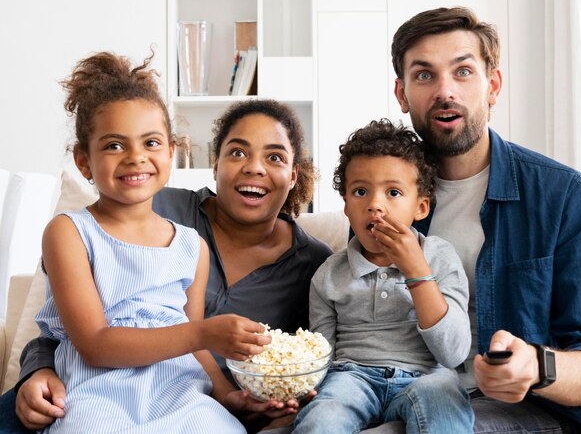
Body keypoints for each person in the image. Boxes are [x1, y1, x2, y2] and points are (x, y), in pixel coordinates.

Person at [0, 93, 333, 430]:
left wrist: (232, 397)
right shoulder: (140, 202)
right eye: (237, 152)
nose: (254, 167)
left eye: (274, 157)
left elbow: (334, 355)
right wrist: (37, 369)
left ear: (293, 174)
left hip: (187, 394)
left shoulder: (315, 265)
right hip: (90, 386)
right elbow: (66, 327)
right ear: (215, 163)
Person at [391, 6, 581, 432]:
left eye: (462, 72)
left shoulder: (562, 193)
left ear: (492, 85)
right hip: (402, 397)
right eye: (424, 75)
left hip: (522, 412)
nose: (446, 91)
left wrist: (537, 367)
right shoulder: (380, 196)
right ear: (402, 95)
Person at [29, 50, 274, 432]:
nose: (135, 157)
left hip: (181, 390)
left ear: (173, 152)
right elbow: (94, 343)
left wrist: (228, 396)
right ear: (83, 161)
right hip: (96, 390)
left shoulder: (192, 246)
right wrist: (204, 333)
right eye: (114, 145)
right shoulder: (68, 232)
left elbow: (193, 344)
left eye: (151, 143)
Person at [292, 119, 474, 433]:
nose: (375, 205)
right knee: (321, 419)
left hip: (429, 375)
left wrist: (417, 272)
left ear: (421, 207)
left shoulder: (439, 257)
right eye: (361, 191)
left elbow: (454, 352)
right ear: (346, 206)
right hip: (351, 376)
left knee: (444, 407)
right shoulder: (329, 274)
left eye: (393, 192)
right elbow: (321, 355)